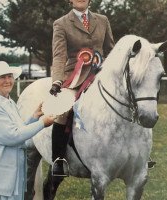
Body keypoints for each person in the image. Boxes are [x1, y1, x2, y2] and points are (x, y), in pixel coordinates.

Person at [49, 0, 115, 176]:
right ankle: (58, 160)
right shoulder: (61, 23)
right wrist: (57, 81)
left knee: (125, 100)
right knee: (63, 110)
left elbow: (110, 50)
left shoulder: (103, 20)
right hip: (75, 77)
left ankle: (137, 155)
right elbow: (59, 56)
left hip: (101, 75)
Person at [0, 61, 55, 200]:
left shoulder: (9, 102)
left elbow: (18, 129)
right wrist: (42, 123)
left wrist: (34, 117)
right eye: (2, 77)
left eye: (9, 76)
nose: (8, 81)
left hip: (13, 179)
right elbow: (13, 137)